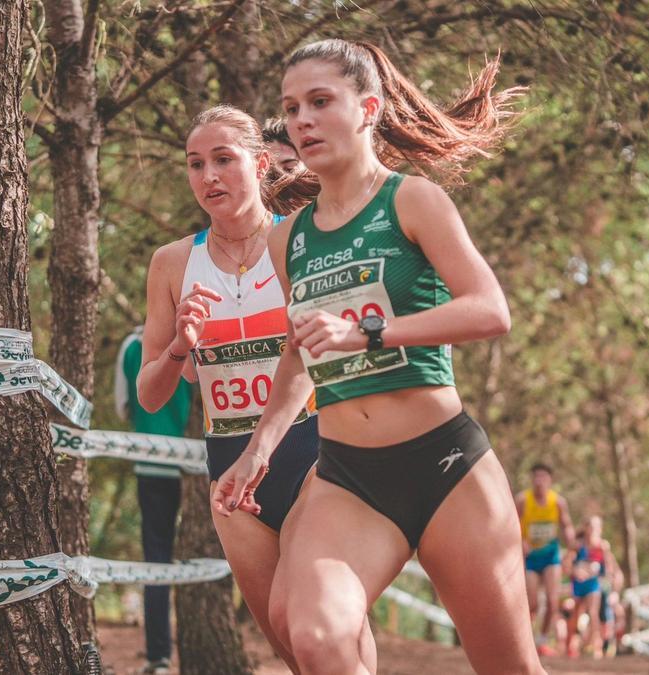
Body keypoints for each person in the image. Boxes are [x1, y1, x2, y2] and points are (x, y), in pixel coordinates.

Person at [211, 39, 540, 674]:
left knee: (511, 668)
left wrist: (370, 333)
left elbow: (490, 310)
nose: (303, 120)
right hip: (350, 480)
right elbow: (298, 355)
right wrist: (258, 450)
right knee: (316, 637)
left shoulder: (412, 201)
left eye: (320, 102)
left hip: (446, 465)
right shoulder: (287, 240)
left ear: (368, 109)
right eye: (292, 107)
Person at [135, 105, 323, 672]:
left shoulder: (302, 242)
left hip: (313, 449)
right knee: (287, 640)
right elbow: (150, 394)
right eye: (196, 164)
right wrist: (180, 347)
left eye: (224, 159)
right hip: (229, 467)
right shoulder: (171, 264)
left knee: (320, 623)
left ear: (261, 164)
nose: (208, 176)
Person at [115, 326, 194, 674]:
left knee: (157, 558)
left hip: (151, 466)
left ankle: (159, 656)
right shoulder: (196, 340)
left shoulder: (131, 346)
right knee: (196, 558)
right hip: (194, 463)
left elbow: (123, 406)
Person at [516, 462, 576, 655]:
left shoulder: (557, 502)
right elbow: (512, 524)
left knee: (552, 601)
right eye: (536, 477)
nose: (540, 481)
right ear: (532, 479)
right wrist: (521, 541)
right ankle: (524, 641)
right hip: (531, 558)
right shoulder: (523, 500)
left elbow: (566, 526)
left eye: (543, 477)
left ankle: (541, 641)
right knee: (532, 603)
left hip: (551, 556)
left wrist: (571, 548)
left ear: (550, 480)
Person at [569, 516, 619, 659]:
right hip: (578, 584)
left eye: (596, 527)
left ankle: (596, 646)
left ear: (600, 530)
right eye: (591, 527)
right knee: (576, 613)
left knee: (593, 612)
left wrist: (610, 587)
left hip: (594, 583)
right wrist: (575, 571)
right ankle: (573, 645)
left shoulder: (603, 546)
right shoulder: (577, 545)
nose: (593, 530)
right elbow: (567, 564)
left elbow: (609, 568)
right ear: (585, 528)